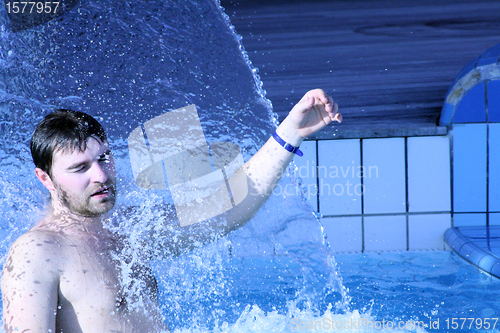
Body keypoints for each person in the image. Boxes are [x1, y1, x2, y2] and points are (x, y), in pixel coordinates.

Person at [1, 89, 341, 332]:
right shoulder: (38, 253)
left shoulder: (130, 229)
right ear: (45, 178)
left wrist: (290, 133)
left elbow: (229, 208)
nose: (101, 175)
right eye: (80, 169)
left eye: (104, 158)